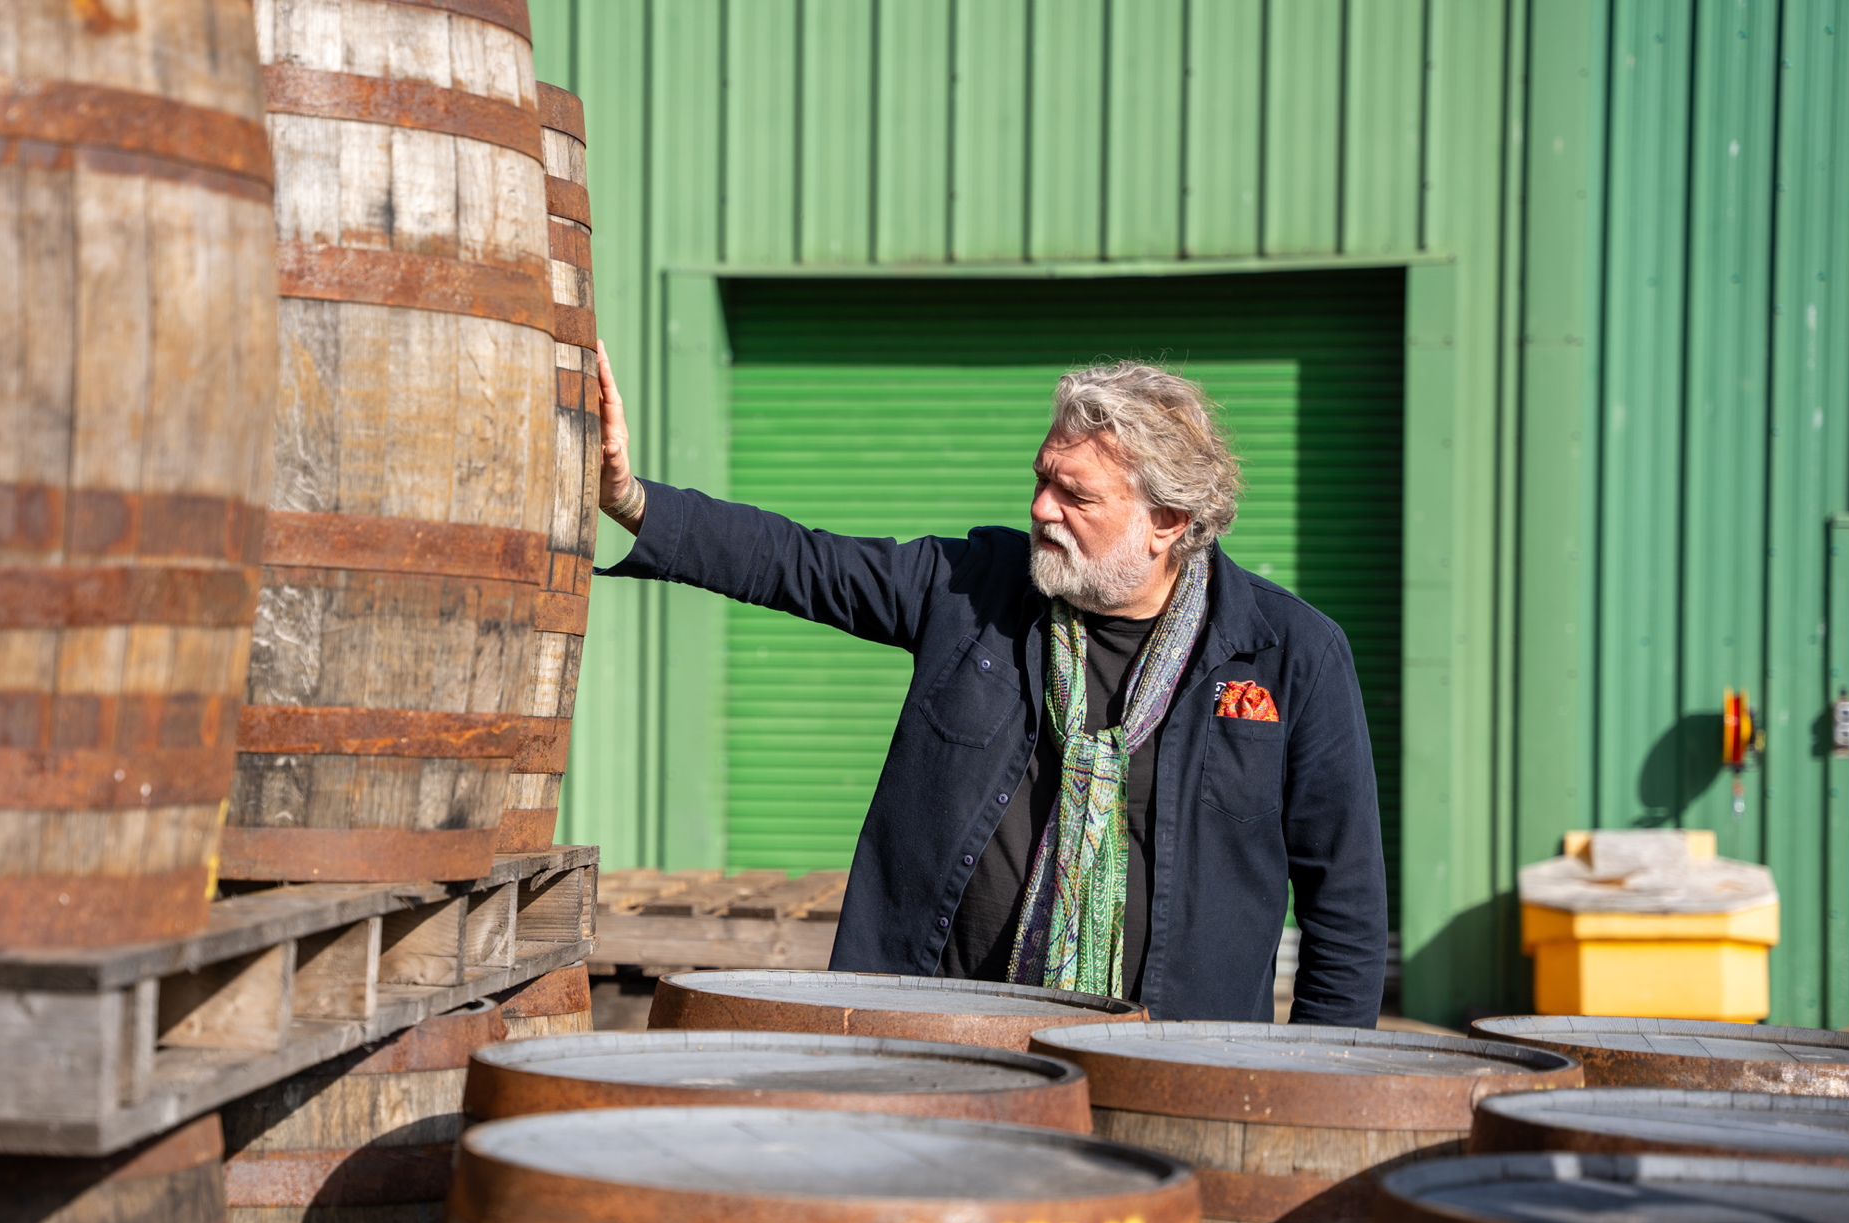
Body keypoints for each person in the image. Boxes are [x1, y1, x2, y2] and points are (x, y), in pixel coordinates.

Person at [592, 343, 1387, 1024]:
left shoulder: (1290, 656)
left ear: (1168, 523)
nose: (1041, 508)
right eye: (1043, 478)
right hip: (944, 1047)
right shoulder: (978, 590)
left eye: (1076, 495)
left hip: (1172, 1077)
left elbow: (1344, 915)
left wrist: (1311, 1078)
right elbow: (802, 562)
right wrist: (632, 499)